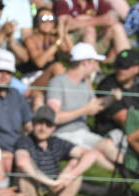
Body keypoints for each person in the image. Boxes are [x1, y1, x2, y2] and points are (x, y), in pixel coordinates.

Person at [14, 105, 102, 196]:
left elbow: (92, 154)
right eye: (40, 123)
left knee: (75, 167)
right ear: (33, 123)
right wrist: (50, 182)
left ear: (53, 128)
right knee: (23, 174)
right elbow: (21, 162)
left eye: (48, 124)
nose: (43, 128)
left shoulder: (57, 142)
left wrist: (68, 177)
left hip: (53, 192)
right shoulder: (24, 141)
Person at [46, 43, 122, 171]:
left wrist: (112, 97)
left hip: (83, 133)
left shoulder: (85, 83)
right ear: (85, 62)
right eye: (94, 63)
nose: (96, 68)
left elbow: (94, 107)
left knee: (108, 145)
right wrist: (84, 110)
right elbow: (53, 117)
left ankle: (131, 175)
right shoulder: (58, 82)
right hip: (62, 135)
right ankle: (123, 178)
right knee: (96, 155)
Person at [94, 49, 139, 141]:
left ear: (137, 69)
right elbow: (124, 120)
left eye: (126, 67)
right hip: (115, 133)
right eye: (119, 65)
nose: (121, 70)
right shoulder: (107, 85)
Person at [53, 0, 132, 59]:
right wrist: (96, 20)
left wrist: (82, 20)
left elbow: (110, 19)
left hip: (94, 41)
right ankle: (90, 67)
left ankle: (127, 62)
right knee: (89, 30)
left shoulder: (95, 2)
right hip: (69, 44)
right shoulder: (64, 2)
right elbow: (63, 26)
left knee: (117, 27)